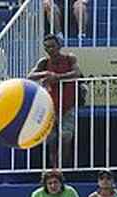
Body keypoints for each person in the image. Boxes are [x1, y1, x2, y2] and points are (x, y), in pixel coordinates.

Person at [28, 34, 81, 167]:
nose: (50, 49)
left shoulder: (69, 58)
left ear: (59, 46)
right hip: (50, 107)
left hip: (67, 105)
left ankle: (64, 167)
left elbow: (76, 73)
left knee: (65, 137)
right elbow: (30, 76)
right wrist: (45, 74)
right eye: (46, 47)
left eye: (52, 46)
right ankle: (54, 168)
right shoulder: (44, 62)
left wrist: (57, 77)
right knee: (51, 140)